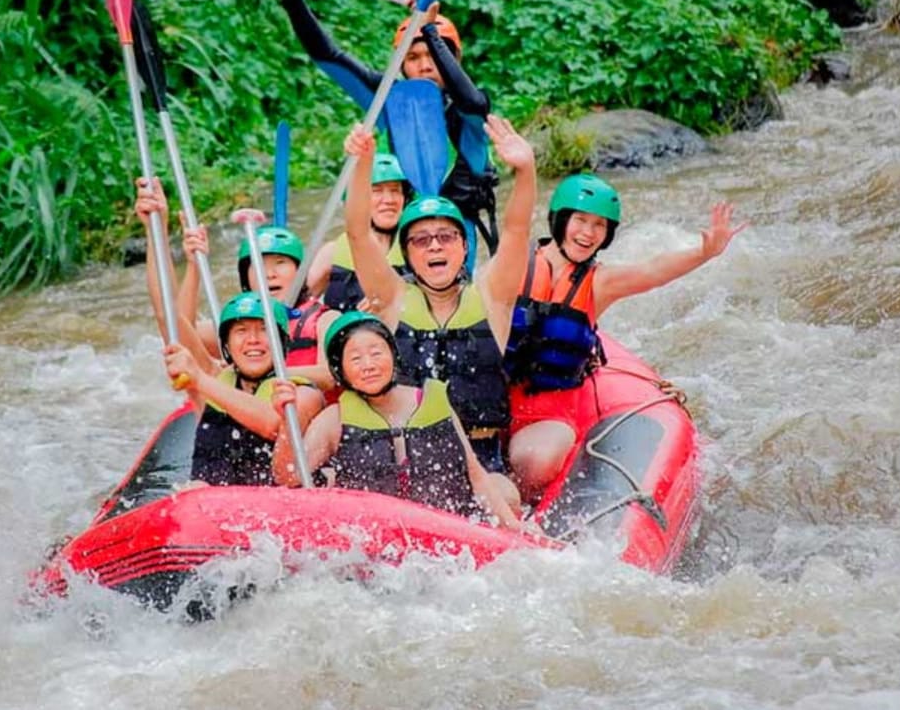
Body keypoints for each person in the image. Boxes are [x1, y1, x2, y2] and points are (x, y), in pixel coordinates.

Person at [505, 174, 748, 500]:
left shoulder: (599, 283)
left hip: (550, 413)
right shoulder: (514, 264)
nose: (588, 233)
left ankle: (518, 510)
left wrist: (703, 253)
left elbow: (652, 270)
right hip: (495, 400)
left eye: (600, 225)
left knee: (536, 463)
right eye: (580, 220)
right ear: (560, 219)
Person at [263, 0, 499, 266]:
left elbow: (472, 103)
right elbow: (327, 56)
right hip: (403, 240)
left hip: (458, 243)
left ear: (452, 59)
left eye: (434, 55)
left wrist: (430, 32)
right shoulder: (391, 103)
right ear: (401, 65)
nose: (425, 64)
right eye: (413, 57)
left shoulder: (470, 116)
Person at [340, 115, 536, 473]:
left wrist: (526, 171)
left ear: (464, 247)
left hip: (482, 453)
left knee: (504, 496)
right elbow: (357, 233)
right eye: (421, 239)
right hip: (410, 455)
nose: (434, 247)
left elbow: (516, 230)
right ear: (407, 254)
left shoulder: (493, 296)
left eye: (445, 237)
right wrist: (363, 163)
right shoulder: (391, 297)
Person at [269, 310, 520, 528]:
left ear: (393, 356)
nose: (368, 365)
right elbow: (289, 477)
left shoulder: (433, 401)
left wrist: (515, 529)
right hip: (375, 536)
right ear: (340, 369)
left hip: (443, 527)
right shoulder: (335, 420)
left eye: (376, 353)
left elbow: (475, 475)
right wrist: (285, 422)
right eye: (355, 359)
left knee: (505, 491)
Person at [135, 176, 340, 391]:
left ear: (300, 272)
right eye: (259, 265)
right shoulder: (237, 324)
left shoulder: (324, 319)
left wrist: (262, 372)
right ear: (245, 279)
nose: (269, 274)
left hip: (300, 411)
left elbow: (330, 375)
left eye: (280, 263)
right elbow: (177, 330)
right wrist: (159, 233)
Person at [164, 291, 325, 487]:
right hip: (210, 504)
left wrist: (199, 379)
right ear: (227, 345)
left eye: (264, 329)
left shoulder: (303, 394)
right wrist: (190, 264)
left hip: (276, 510)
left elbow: (270, 424)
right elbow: (167, 315)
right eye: (241, 331)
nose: (253, 340)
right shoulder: (217, 379)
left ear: (282, 343)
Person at [305, 151, 412, 311]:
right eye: (376, 191)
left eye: (395, 190)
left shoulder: (418, 250)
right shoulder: (331, 254)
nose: (389, 200)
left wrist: (393, 300)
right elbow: (299, 308)